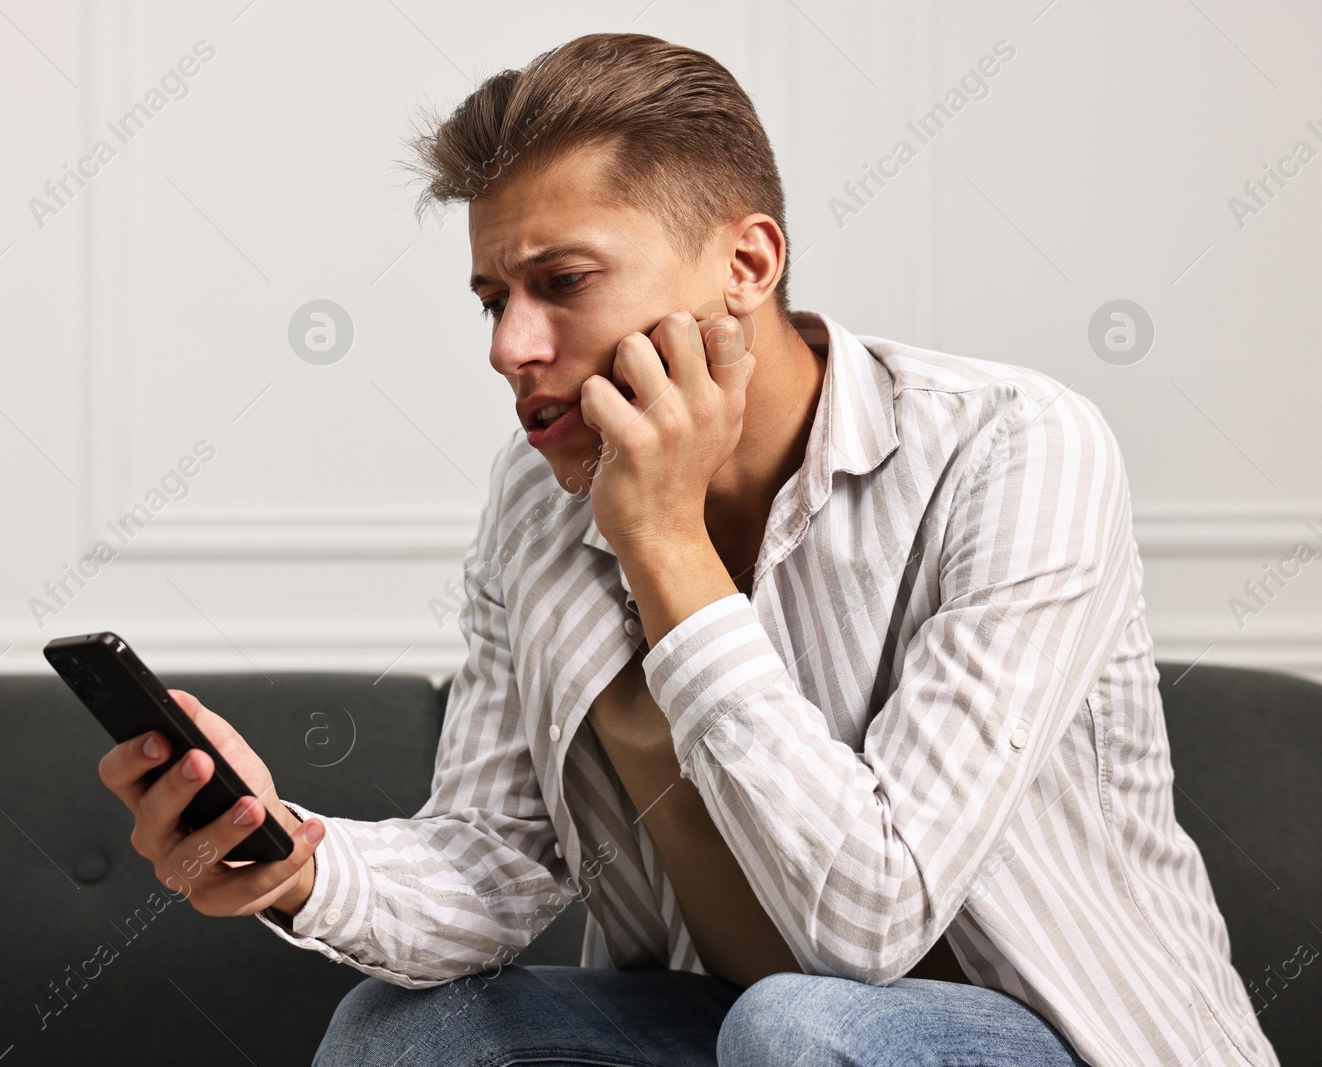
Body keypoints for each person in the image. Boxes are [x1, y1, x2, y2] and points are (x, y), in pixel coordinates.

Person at [97, 32, 1279, 1067]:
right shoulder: (538, 496)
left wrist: (662, 541)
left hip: (1049, 1036)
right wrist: (290, 857)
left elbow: (867, 921)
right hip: (728, 1030)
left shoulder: (1014, 449)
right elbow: (493, 860)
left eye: (561, 283)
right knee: (403, 1033)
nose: (511, 346)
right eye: (491, 297)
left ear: (746, 264)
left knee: (800, 1025)